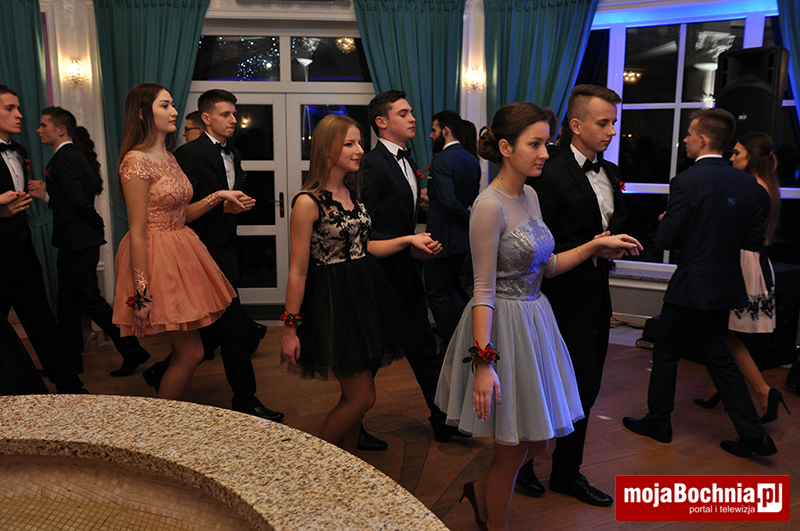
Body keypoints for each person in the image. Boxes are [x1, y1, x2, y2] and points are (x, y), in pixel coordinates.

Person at [435, 102, 642, 531]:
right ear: (506, 148)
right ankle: (495, 523)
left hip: (537, 320)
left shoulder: (529, 195)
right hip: (503, 326)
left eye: (546, 143)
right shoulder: (488, 206)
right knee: (513, 446)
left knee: (540, 440)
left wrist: (594, 246)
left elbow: (546, 267)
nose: (545, 153)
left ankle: (481, 492)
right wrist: (483, 362)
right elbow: (482, 290)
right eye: (535, 144)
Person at [623, 108, 778, 458]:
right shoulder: (748, 184)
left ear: (703, 139)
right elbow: (754, 239)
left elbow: (666, 238)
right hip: (725, 283)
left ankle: (659, 422)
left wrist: (667, 219)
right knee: (718, 355)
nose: (685, 140)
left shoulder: (687, 181)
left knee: (666, 351)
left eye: (690, 134)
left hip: (692, 283)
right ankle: (753, 435)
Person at [281, 114, 439, 453]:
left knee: (353, 396)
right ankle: (312, 461)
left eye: (359, 143)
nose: (359, 150)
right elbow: (298, 271)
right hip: (333, 300)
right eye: (349, 144)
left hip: (364, 294)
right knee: (362, 397)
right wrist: (290, 328)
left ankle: (346, 463)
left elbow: (364, 247)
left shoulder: (350, 193)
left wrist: (408, 241)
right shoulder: (308, 202)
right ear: (327, 150)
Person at [517, 85, 626, 506]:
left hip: (597, 295)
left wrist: (615, 243)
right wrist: (591, 247)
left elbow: (613, 221)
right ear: (576, 125)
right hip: (556, 297)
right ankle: (522, 465)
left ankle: (566, 471)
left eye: (614, 122)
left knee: (588, 386)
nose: (612, 130)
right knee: (546, 385)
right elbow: (534, 242)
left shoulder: (610, 170)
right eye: (603, 122)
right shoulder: (547, 171)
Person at [111, 83, 248, 402]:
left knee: (191, 352)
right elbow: (138, 230)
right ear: (142, 113)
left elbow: (181, 214)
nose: (174, 111)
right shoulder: (135, 161)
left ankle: (177, 419)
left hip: (181, 250)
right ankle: (165, 423)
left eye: (172, 104)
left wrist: (218, 196)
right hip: (156, 257)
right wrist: (140, 293)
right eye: (165, 105)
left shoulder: (170, 157)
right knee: (191, 353)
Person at [360, 89, 464, 447]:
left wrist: (416, 246)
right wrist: (407, 242)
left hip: (406, 272)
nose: (413, 118)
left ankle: (442, 422)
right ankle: (353, 422)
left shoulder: (410, 160)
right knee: (371, 356)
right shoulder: (372, 164)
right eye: (403, 113)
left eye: (411, 112)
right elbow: (366, 228)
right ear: (381, 122)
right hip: (380, 276)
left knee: (423, 349)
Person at [173, 89, 281, 422]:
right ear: (206, 118)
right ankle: (246, 399)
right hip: (199, 249)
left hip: (226, 246)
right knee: (231, 327)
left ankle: (162, 372)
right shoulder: (188, 154)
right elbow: (180, 209)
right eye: (225, 114)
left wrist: (238, 204)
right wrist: (220, 206)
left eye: (234, 113)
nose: (233, 119)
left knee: (217, 324)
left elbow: (229, 194)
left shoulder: (233, 152)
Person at [30, 106, 151, 377]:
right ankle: (70, 364)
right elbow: (71, 198)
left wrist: (94, 221)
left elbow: (78, 200)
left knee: (90, 301)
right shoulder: (73, 155)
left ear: (61, 130)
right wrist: (48, 197)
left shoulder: (64, 158)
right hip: (76, 240)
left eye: (44, 125)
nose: (39, 130)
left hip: (78, 241)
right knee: (68, 305)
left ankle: (132, 350)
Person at [694, 132, 789, 423]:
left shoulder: (753, 187)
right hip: (751, 261)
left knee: (723, 334)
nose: (732, 158)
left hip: (743, 263)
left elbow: (730, 225)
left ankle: (764, 391)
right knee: (723, 331)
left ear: (753, 157)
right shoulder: (765, 185)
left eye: (737, 153)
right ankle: (715, 390)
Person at [0, 84, 87, 394]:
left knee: (44, 325)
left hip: (23, 253)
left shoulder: (20, 151)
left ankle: (71, 389)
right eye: (9, 108)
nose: (19, 114)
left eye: (17, 107)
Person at [424, 110, 481, 355]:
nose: (431, 135)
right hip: (462, 239)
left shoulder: (442, 159)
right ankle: (464, 337)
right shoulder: (471, 159)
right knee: (452, 289)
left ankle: (453, 342)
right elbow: (467, 199)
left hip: (442, 239)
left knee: (437, 292)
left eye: (434, 130)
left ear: (446, 130)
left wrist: (471, 218)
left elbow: (449, 202)